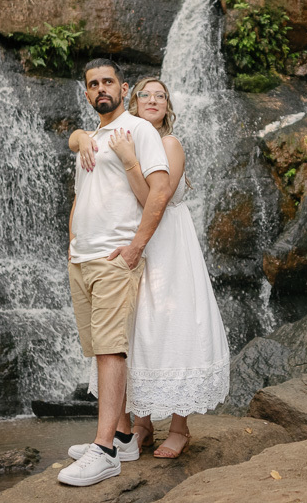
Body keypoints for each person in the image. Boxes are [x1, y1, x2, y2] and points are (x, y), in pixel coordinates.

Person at [71, 77, 230, 460]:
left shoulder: (168, 144)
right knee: (138, 330)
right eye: (147, 94)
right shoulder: (124, 136)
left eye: (162, 96)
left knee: (172, 328)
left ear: (167, 106)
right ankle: (139, 425)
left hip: (166, 244)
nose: (154, 100)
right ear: (133, 100)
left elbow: (153, 200)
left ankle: (180, 427)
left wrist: (129, 159)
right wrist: (79, 136)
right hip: (128, 242)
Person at [59, 59, 171, 487]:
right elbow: (81, 196)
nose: (101, 88)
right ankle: (123, 435)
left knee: (110, 350)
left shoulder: (139, 131)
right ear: (86, 93)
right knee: (98, 349)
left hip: (114, 257)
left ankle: (104, 450)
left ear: (124, 89)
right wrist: (71, 244)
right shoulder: (91, 138)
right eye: (93, 84)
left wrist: (135, 248)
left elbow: (159, 191)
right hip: (82, 258)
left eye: (108, 82)